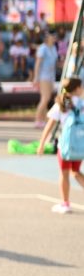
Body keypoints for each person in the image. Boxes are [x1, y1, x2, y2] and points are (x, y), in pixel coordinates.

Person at [37, 77, 84, 214]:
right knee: (75, 172)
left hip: (65, 145)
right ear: (76, 89)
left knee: (64, 173)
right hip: (80, 143)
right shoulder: (81, 104)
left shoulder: (62, 103)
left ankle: (65, 203)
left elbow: (50, 125)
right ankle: (65, 203)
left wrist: (42, 143)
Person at [33, 31, 59, 127]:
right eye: (53, 36)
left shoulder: (54, 48)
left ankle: (42, 120)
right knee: (45, 98)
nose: (54, 38)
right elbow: (38, 64)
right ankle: (37, 119)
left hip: (51, 76)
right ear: (47, 37)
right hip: (43, 76)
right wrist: (36, 77)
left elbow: (55, 62)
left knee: (46, 99)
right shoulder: (43, 48)